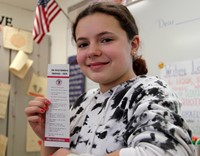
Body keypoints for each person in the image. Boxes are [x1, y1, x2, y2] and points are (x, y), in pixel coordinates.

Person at [24, 2, 195, 156]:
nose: (92, 52)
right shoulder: (82, 103)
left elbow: (162, 152)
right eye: (83, 44)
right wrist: (50, 136)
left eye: (106, 40)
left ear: (133, 45)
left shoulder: (151, 92)